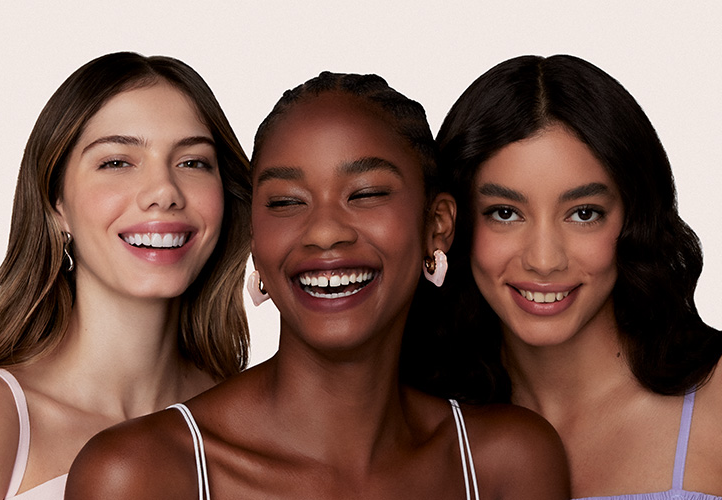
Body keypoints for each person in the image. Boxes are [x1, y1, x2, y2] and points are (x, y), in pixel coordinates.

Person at [65, 71, 569, 500]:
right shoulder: (140, 474)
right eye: (286, 202)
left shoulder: (507, 462)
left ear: (436, 225)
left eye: (366, 194)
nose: (325, 232)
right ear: (255, 238)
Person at [0, 51, 251, 499]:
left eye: (193, 162)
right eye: (117, 162)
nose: (164, 192)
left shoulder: (243, 422)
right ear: (56, 204)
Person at [432, 54, 722, 498]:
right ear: (450, 224)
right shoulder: (421, 426)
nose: (544, 260)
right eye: (505, 213)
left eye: (584, 213)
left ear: (635, 219)